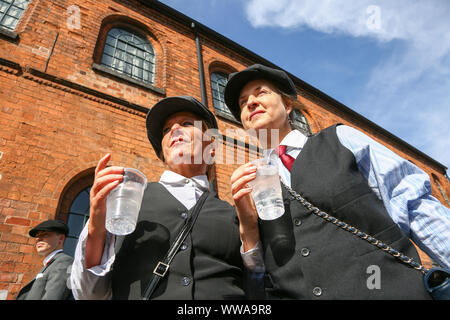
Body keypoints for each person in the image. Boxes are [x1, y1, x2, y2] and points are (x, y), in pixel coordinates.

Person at [224, 63, 450, 299]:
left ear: (288, 105)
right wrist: (248, 229)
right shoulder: (251, 186)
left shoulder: (341, 139)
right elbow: (261, 275)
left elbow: (413, 205)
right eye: (242, 103)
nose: (250, 103)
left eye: (261, 93)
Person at [70, 96, 263, 300]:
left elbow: (258, 282)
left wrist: (250, 228)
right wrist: (96, 224)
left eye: (187, 123)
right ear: (163, 153)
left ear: (211, 147)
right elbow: (89, 295)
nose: (174, 130)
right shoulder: (127, 200)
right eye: (166, 129)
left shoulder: (234, 213)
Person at [16, 219, 73, 300]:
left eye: (45, 234)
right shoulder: (49, 264)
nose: (38, 239)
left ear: (61, 238)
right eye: (37, 236)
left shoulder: (63, 261)